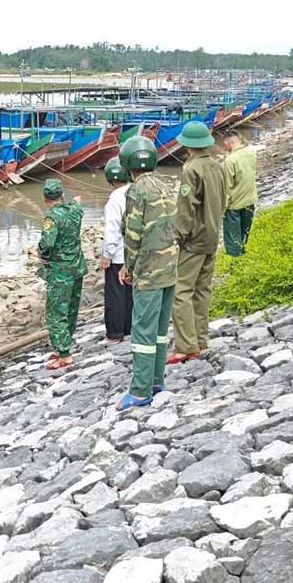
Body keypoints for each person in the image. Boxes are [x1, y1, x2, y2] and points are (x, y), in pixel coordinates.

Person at [116, 135, 178, 410]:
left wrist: (128, 268)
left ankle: (140, 391)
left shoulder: (136, 191)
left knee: (143, 332)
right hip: (170, 268)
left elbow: (133, 235)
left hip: (149, 272)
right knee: (160, 330)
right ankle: (156, 380)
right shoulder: (164, 186)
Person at [169, 120, 226, 364]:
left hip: (194, 239)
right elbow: (223, 200)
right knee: (203, 289)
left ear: (187, 144)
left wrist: (177, 236)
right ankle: (200, 340)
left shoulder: (191, 169)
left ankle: (185, 346)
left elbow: (186, 208)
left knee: (181, 291)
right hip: (212, 235)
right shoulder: (217, 166)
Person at [38, 178, 87, 370]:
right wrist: (75, 200)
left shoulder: (52, 218)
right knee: (71, 309)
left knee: (56, 312)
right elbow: (78, 204)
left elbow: (47, 244)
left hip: (61, 272)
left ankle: (64, 354)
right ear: (62, 195)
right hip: (77, 267)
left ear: (45, 199)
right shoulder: (74, 210)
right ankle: (64, 343)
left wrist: (40, 252)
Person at [100, 157, 133, 343]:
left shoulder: (114, 199)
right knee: (130, 294)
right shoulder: (134, 191)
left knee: (115, 295)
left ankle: (114, 333)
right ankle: (129, 329)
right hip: (133, 253)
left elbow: (112, 229)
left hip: (118, 255)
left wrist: (107, 254)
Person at [221, 130, 257, 256]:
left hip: (234, 205)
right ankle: (243, 255)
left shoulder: (230, 161)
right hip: (250, 200)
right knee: (244, 233)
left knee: (232, 238)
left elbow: (227, 187)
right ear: (240, 140)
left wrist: (223, 208)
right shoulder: (251, 153)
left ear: (227, 144)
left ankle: (235, 262)